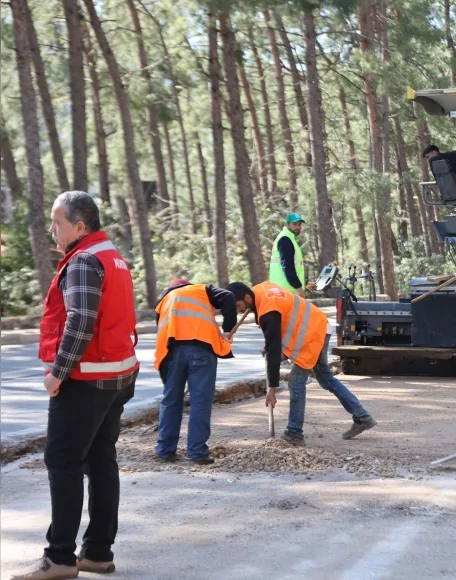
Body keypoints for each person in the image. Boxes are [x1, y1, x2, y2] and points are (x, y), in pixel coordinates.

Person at [14, 192, 138, 580]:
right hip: (116, 376)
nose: (52, 229)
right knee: (100, 461)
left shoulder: (84, 260)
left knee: (63, 462)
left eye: (58, 223)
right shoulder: (112, 256)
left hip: (86, 380)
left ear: (79, 226)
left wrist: (58, 373)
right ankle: (97, 554)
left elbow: (80, 321)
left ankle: (60, 558)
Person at [225, 281, 377, 445]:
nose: (239, 310)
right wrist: (269, 344)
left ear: (247, 297)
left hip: (310, 335)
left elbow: (274, 349)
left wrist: (272, 389)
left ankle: (294, 433)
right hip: (318, 324)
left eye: (238, 306)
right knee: (326, 378)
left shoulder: (268, 312)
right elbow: (280, 322)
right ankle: (362, 417)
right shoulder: (260, 289)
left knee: (296, 382)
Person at [153, 279, 238, 464]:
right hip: (202, 349)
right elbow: (229, 296)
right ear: (188, 285)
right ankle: (197, 453)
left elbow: (161, 336)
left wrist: (167, 379)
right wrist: (228, 330)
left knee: (170, 401)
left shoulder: (162, 302)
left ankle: (165, 451)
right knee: (200, 402)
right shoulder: (200, 290)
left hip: (172, 353)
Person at [269, 212, 313, 295]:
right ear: (286, 224)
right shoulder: (285, 239)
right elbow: (288, 266)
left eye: (299, 224)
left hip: (285, 290)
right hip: (286, 291)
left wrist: (304, 283)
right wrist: (298, 287)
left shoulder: (288, 238)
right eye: (294, 224)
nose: (298, 227)